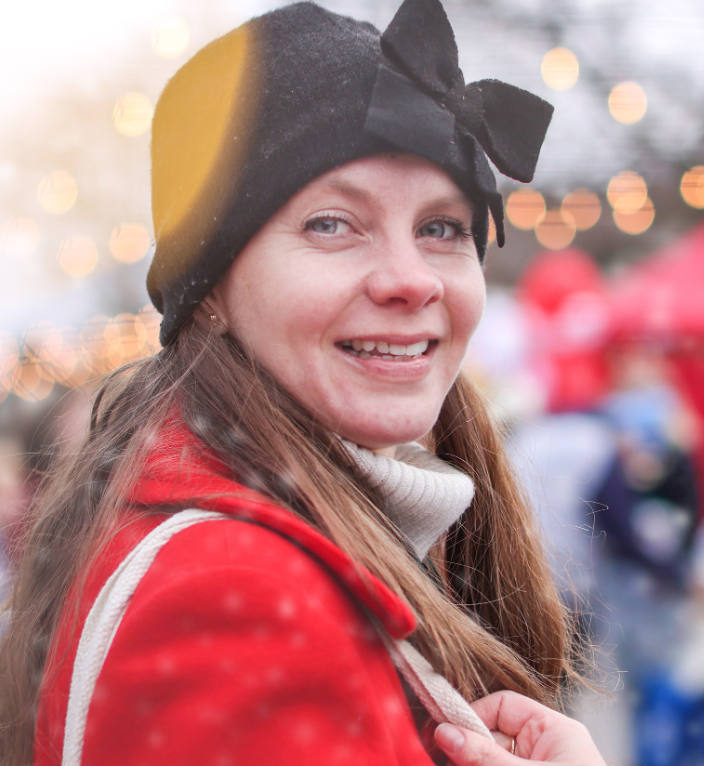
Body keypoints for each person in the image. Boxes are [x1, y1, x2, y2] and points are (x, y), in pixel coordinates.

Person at [0, 2, 605, 765]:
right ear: (211, 289)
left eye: (443, 228)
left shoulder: (267, 542)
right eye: (332, 224)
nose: (410, 280)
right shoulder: (238, 604)